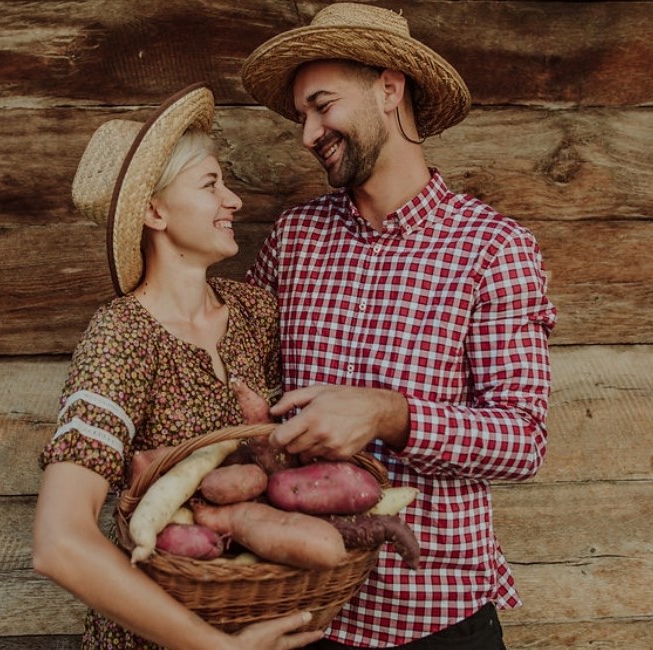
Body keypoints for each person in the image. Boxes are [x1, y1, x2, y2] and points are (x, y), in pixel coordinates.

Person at [239, 4, 558, 649]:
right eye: (302, 115)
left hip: (434, 615)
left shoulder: (491, 248)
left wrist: (391, 414)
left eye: (322, 106)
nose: (307, 134)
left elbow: (524, 440)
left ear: (389, 89)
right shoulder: (294, 238)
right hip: (301, 613)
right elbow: (240, 373)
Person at [31, 83, 324, 650]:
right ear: (155, 210)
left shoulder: (254, 312)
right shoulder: (124, 336)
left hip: (252, 614)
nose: (234, 201)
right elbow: (58, 542)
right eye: (211, 184)